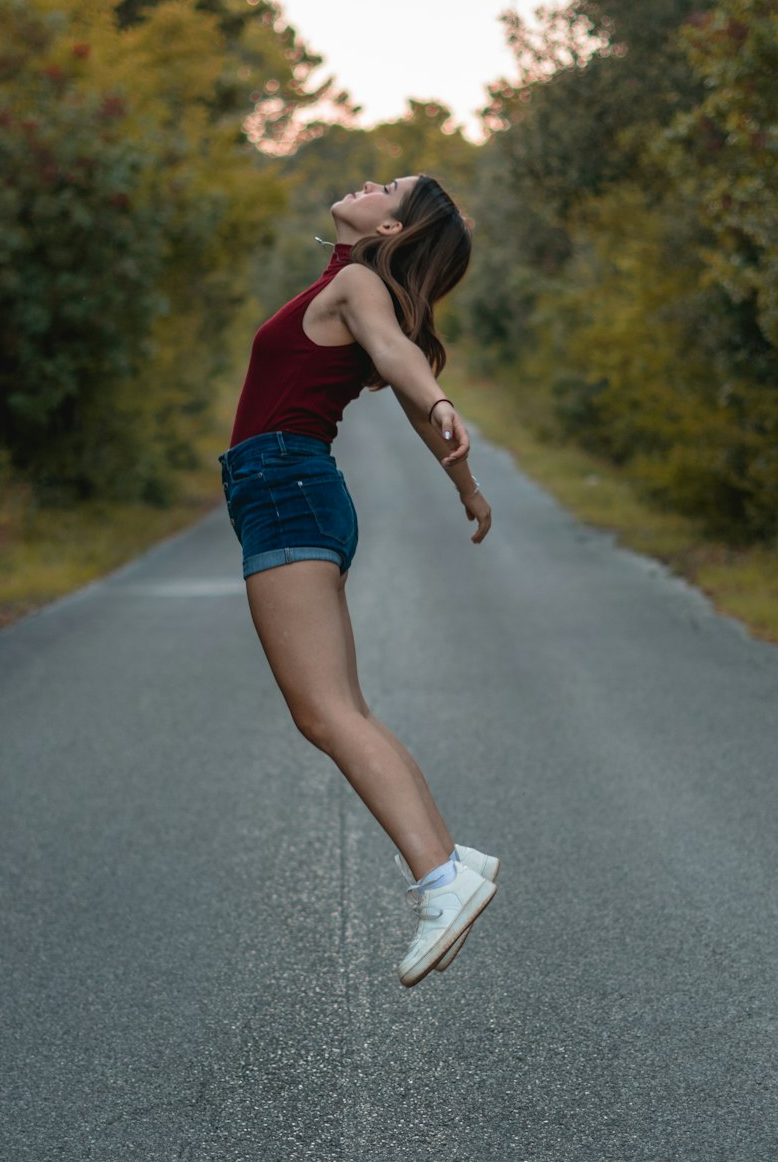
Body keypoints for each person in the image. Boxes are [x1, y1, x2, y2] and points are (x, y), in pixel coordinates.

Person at [219, 174, 499, 987]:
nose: (369, 179)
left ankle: (441, 881)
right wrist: (466, 486)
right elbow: (403, 377)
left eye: (390, 185)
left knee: (328, 714)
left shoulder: (355, 283)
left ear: (394, 225)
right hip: (289, 489)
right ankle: (451, 857)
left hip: (284, 488)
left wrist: (441, 399)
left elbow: (397, 359)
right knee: (345, 710)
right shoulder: (347, 280)